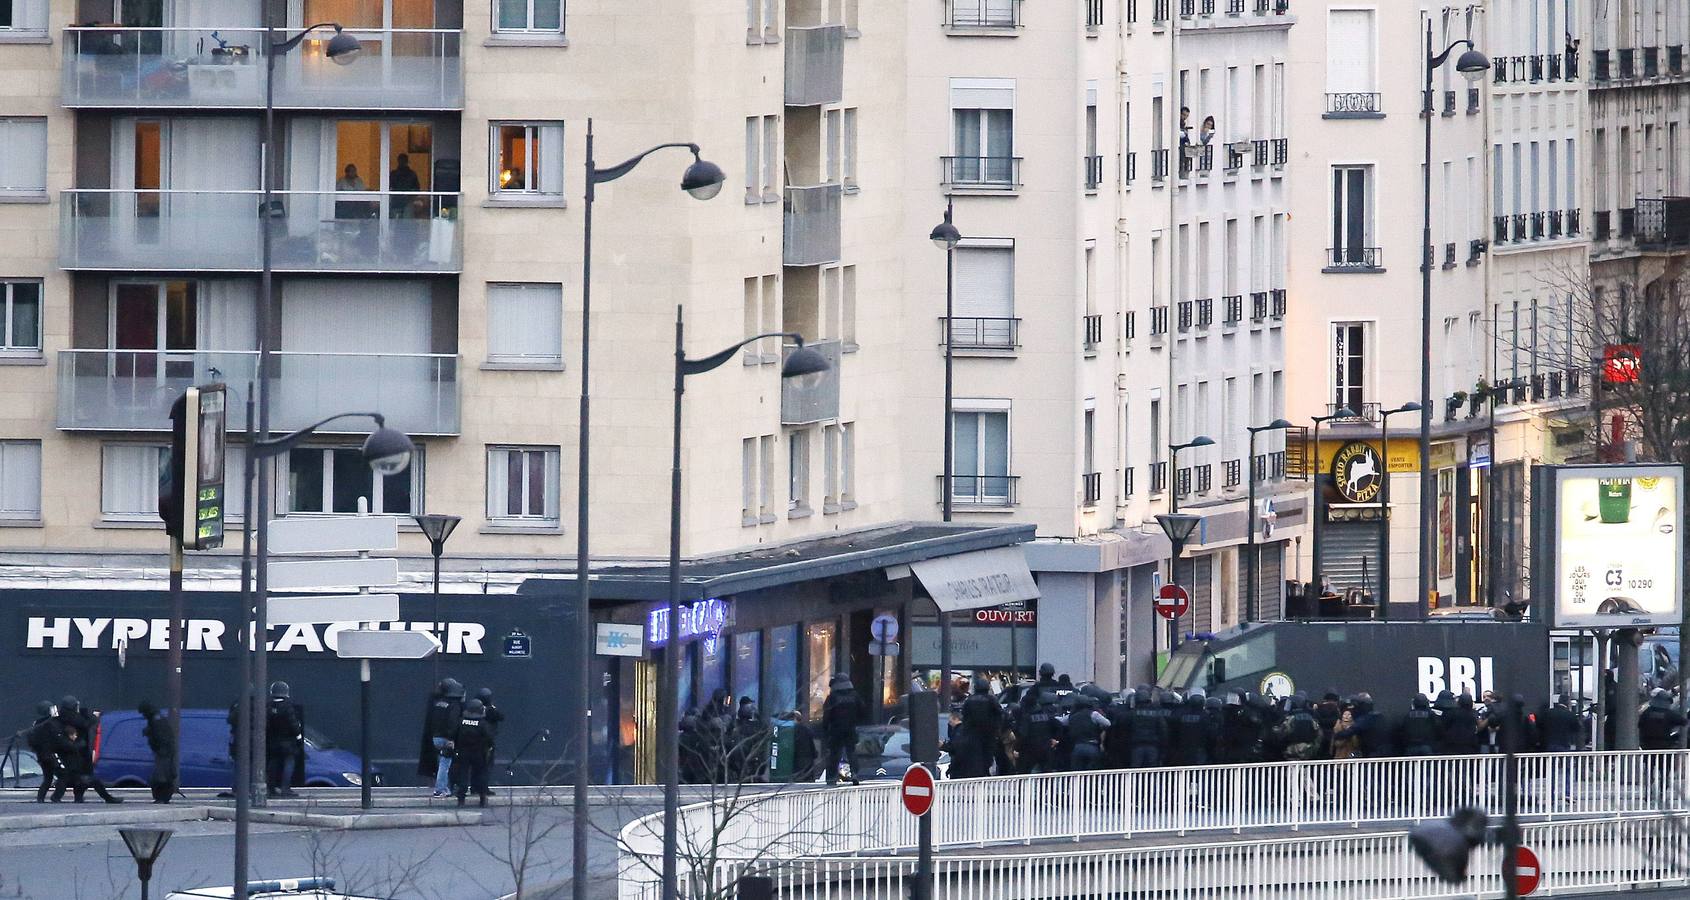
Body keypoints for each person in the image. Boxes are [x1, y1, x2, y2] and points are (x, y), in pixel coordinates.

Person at [52, 697, 121, 803]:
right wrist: (92, 716)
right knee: (88, 779)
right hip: (75, 753)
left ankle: (76, 798)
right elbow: (87, 724)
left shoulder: (61, 718)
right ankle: (107, 798)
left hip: (73, 754)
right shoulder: (74, 719)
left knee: (78, 778)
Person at [421, 679, 464, 798]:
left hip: (436, 737)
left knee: (441, 762)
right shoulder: (453, 704)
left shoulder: (438, 703)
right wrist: (451, 738)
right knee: (445, 764)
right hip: (446, 737)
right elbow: (453, 722)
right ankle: (441, 789)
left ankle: (443, 787)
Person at [820, 674, 865, 786]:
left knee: (834, 754)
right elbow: (863, 711)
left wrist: (825, 729)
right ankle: (855, 773)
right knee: (851, 753)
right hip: (850, 729)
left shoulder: (832, 697)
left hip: (836, 730)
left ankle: (831, 777)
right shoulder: (855, 696)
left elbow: (827, 715)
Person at [450, 698, 494, 806]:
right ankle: (482, 798)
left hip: (463, 752)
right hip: (479, 753)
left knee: (463, 774)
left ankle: (461, 799)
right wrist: (489, 747)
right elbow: (489, 738)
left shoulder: (461, 721)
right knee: (480, 774)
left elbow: (453, 734)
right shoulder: (482, 723)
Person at [956, 677, 1002, 778]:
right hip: (989, 734)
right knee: (988, 756)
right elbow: (999, 714)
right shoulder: (991, 699)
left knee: (976, 757)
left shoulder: (969, 700)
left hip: (972, 735)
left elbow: (965, 716)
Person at [265, 682, 302, 798]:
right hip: (287, 741)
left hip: (272, 741)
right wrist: (298, 735)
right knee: (289, 763)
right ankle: (285, 788)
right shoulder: (288, 706)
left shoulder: (268, 706)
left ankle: (270, 788)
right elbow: (294, 724)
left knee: (272, 764)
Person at [137, 700, 178, 803]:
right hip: (163, 750)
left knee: (161, 776)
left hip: (163, 751)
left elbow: (161, 736)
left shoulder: (156, 720)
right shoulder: (155, 719)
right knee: (162, 775)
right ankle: (162, 797)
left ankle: (162, 797)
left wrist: (160, 748)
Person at [26, 700, 61, 803]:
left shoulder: (36, 723)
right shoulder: (51, 722)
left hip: (41, 755)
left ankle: (40, 798)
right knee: (63, 776)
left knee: (48, 778)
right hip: (51, 754)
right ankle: (56, 797)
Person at [1276, 694, 1322, 762]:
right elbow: (1319, 736)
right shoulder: (1311, 719)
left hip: (1290, 754)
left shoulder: (1290, 719)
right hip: (1307, 755)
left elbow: (1281, 734)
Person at [475, 688, 504, 795]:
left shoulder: (475, 708)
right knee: (486, 766)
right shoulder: (490, 710)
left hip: (476, 739)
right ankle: (483, 788)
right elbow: (501, 716)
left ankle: (474, 787)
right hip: (488, 740)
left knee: (476, 766)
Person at [389, 153, 422, 217]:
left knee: (396, 223)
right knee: (406, 223)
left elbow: (417, 190)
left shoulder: (394, 174)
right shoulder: (411, 174)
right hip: (400, 202)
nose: (402, 162)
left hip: (400, 202)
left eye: (402, 161)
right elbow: (417, 189)